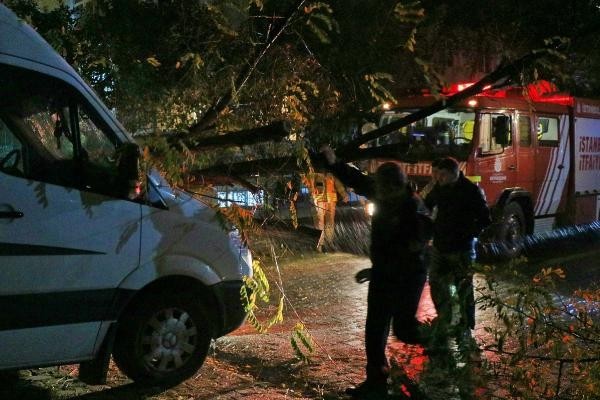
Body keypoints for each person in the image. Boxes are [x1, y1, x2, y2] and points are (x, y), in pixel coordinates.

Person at [320, 146, 431, 399]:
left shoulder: (413, 209)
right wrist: (334, 162)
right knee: (375, 331)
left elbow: (412, 249)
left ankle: (440, 341)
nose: (377, 194)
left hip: (408, 276)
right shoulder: (382, 193)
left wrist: (381, 269)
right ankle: (376, 382)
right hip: (384, 273)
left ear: (395, 187)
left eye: (382, 189)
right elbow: (358, 181)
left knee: (404, 329)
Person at [425, 157, 491, 352]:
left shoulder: (470, 191)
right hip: (440, 248)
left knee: (463, 290)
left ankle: (465, 329)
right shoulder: (439, 188)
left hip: (462, 250)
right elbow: (427, 206)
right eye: (436, 174)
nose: (439, 178)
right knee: (436, 286)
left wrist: (469, 233)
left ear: (454, 173)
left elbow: (485, 219)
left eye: (442, 174)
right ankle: (443, 323)